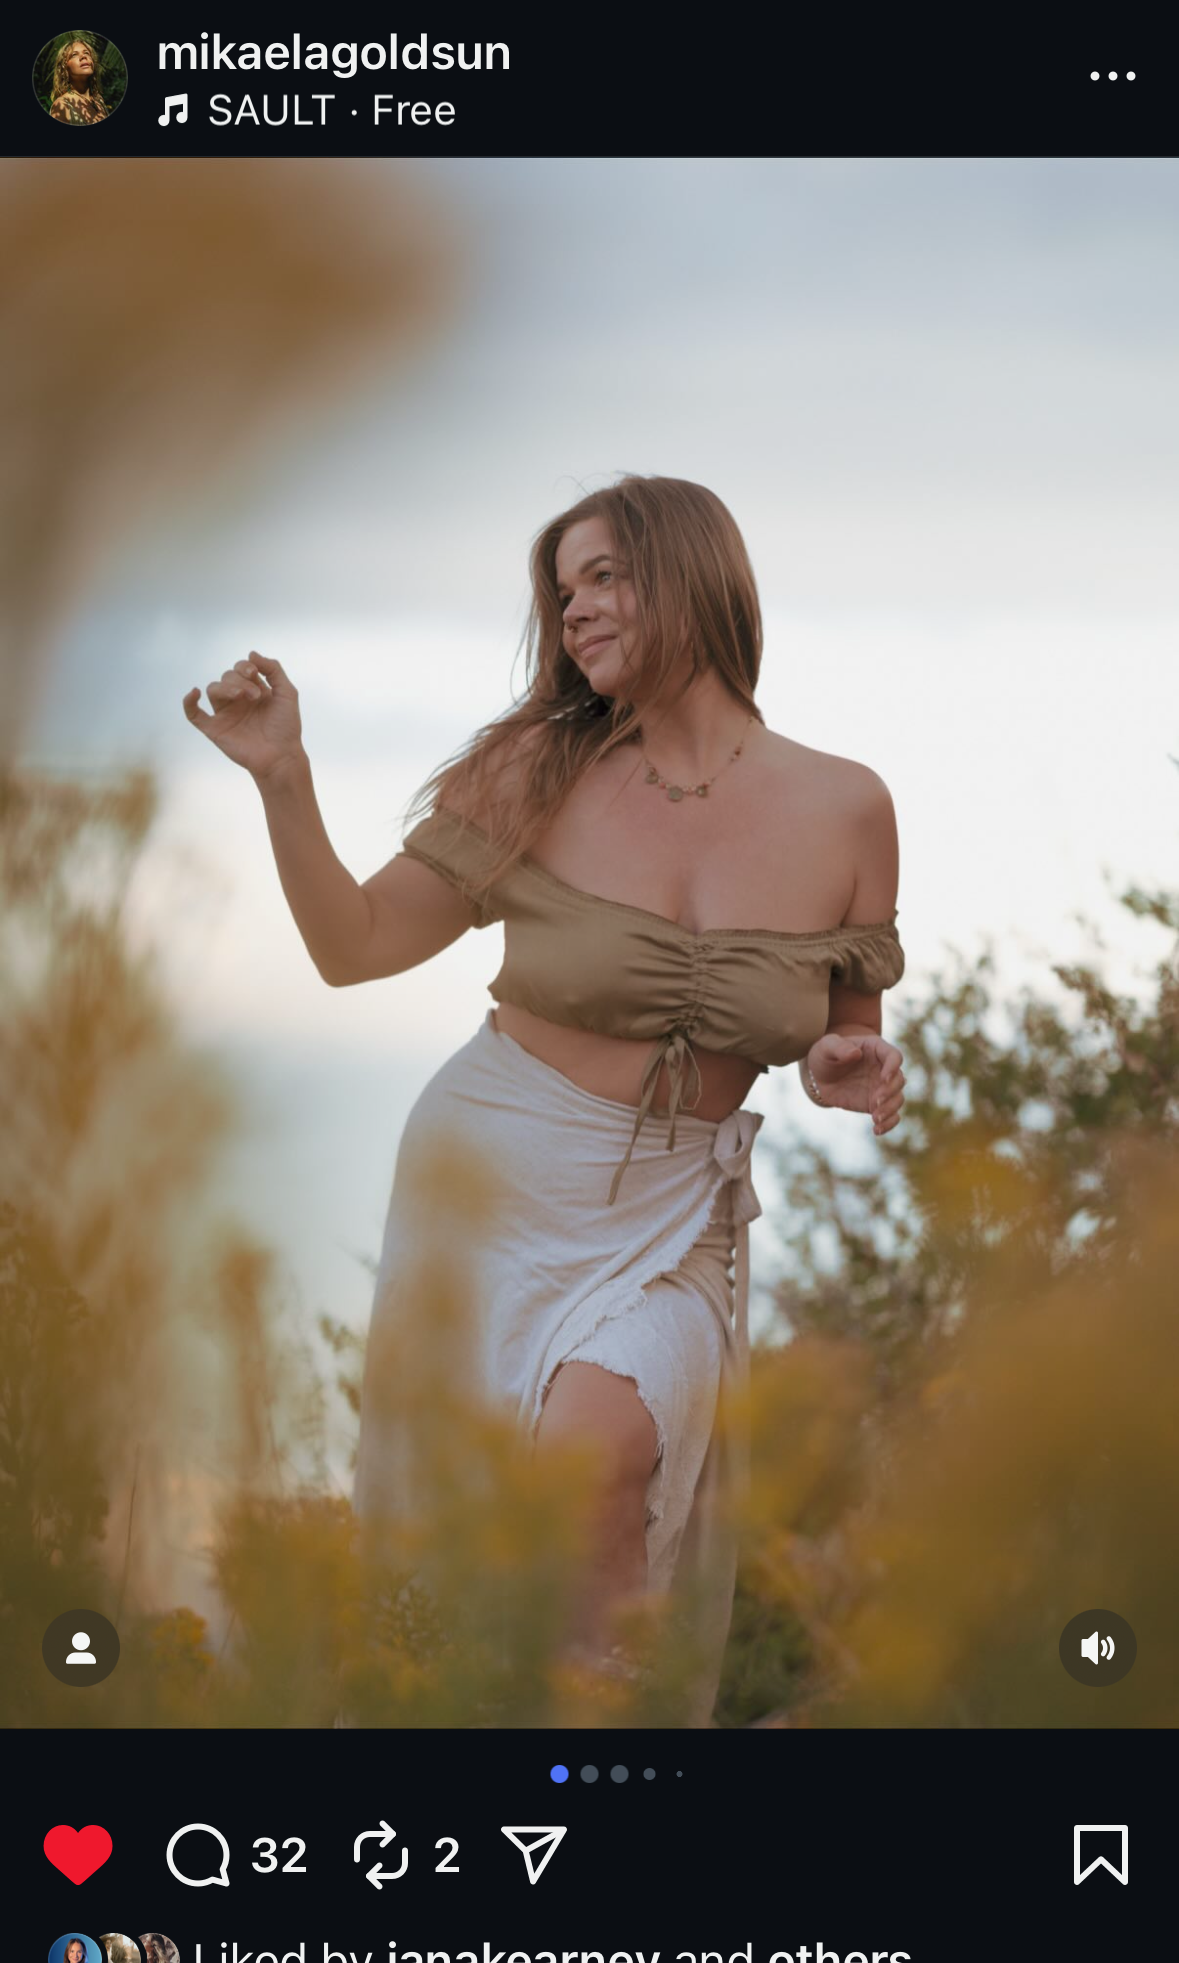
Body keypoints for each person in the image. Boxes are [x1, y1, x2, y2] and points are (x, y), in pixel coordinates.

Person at [182, 473, 906, 1718]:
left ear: (694, 574)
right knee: (482, 1548)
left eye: (606, 577)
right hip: (491, 1187)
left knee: (598, 1460)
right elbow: (354, 945)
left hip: (674, 1219)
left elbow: (848, 1033)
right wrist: (283, 777)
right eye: (565, 592)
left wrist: (850, 1066)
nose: (575, 612)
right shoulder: (537, 770)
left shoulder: (847, 807)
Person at [47, 35, 109, 126]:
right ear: (64, 68)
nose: (83, 56)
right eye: (74, 55)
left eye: (87, 53)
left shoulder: (99, 100)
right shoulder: (62, 105)